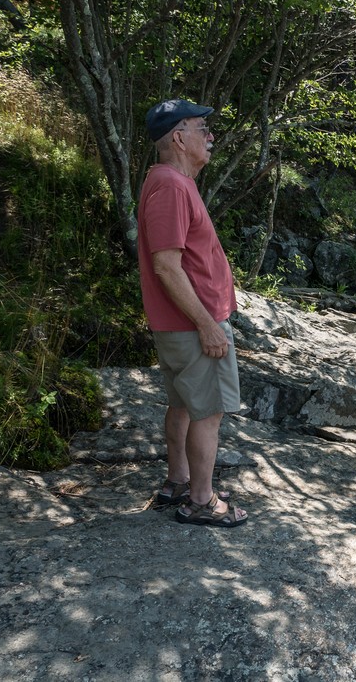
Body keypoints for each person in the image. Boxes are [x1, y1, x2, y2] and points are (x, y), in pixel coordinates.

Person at [138, 98, 248, 527]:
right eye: (203, 129)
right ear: (179, 138)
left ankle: (179, 481)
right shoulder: (170, 185)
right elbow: (166, 264)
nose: (211, 136)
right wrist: (207, 325)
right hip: (191, 326)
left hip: (181, 325)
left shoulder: (171, 181)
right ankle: (202, 501)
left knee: (183, 404)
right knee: (208, 412)